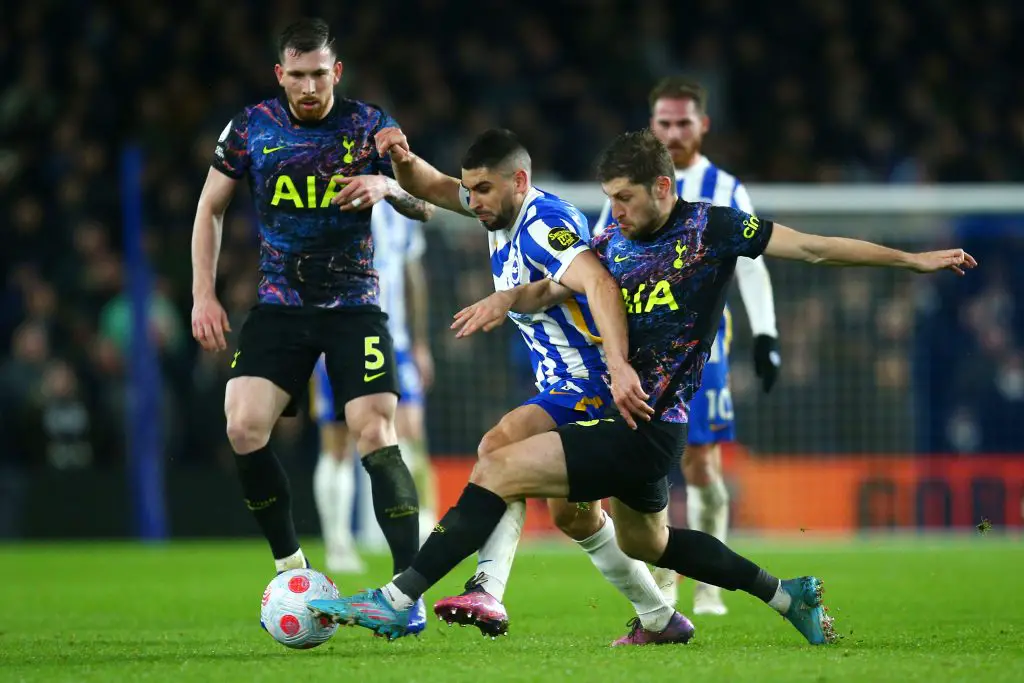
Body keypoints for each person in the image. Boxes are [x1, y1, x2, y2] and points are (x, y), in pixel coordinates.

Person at [309, 128, 976, 645]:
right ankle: (784, 595)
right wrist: (510, 294)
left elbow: (812, 248)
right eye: (610, 200)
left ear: (663, 186)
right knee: (647, 543)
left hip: (641, 420)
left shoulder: (712, 228)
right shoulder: (613, 235)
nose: (615, 211)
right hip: (636, 422)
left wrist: (911, 260)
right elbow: (567, 280)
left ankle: (401, 600)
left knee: (499, 461)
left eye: (625, 197)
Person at [359, 126, 687, 645]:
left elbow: (599, 282)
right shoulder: (496, 210)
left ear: (519, 180)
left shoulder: (544, 223)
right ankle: (660, 618)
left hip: (592, 383)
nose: (473, 200)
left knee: (497, 448)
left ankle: (483, 588)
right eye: (471, 189)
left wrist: (620, 366)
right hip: (562, 383)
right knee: (575, 518)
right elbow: (431, 186)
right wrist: (401, 158)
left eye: (483, 189)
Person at [189, 18, 433, 632]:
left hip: (354, 306)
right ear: (280, 74)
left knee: (374, 430)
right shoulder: (250, 128)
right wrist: (203, 295)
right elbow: (210, 207)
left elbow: (425, 203)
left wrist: (387, 184)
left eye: (318, 74)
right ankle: (291, 567)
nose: (308, 86)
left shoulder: (372, 126)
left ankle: (408, 598)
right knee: (243, 427)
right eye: (296, 75)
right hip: (279, 305)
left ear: (336, 72)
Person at [594, 76, 780, 614]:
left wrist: (765, 333)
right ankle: (671, 577)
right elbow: (603, 268)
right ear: (652, 127)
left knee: (702, 463)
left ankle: (710, 587)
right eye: (664, 123)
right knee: (650, 472)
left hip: (706, 355)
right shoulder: (627, 192)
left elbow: (754, 265)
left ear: (703, 125)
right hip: (646, 355)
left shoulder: (726, 189)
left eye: (683, 122)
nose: (674, 132)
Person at [310, 200, 437, 574]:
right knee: (338, 442)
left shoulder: (401, 208)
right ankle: (338, 543)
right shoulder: (333, 202)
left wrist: (420, 343)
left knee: (411, 432)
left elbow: (412, 275)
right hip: (339, 337)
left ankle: (425, 529)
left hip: (394, 341)